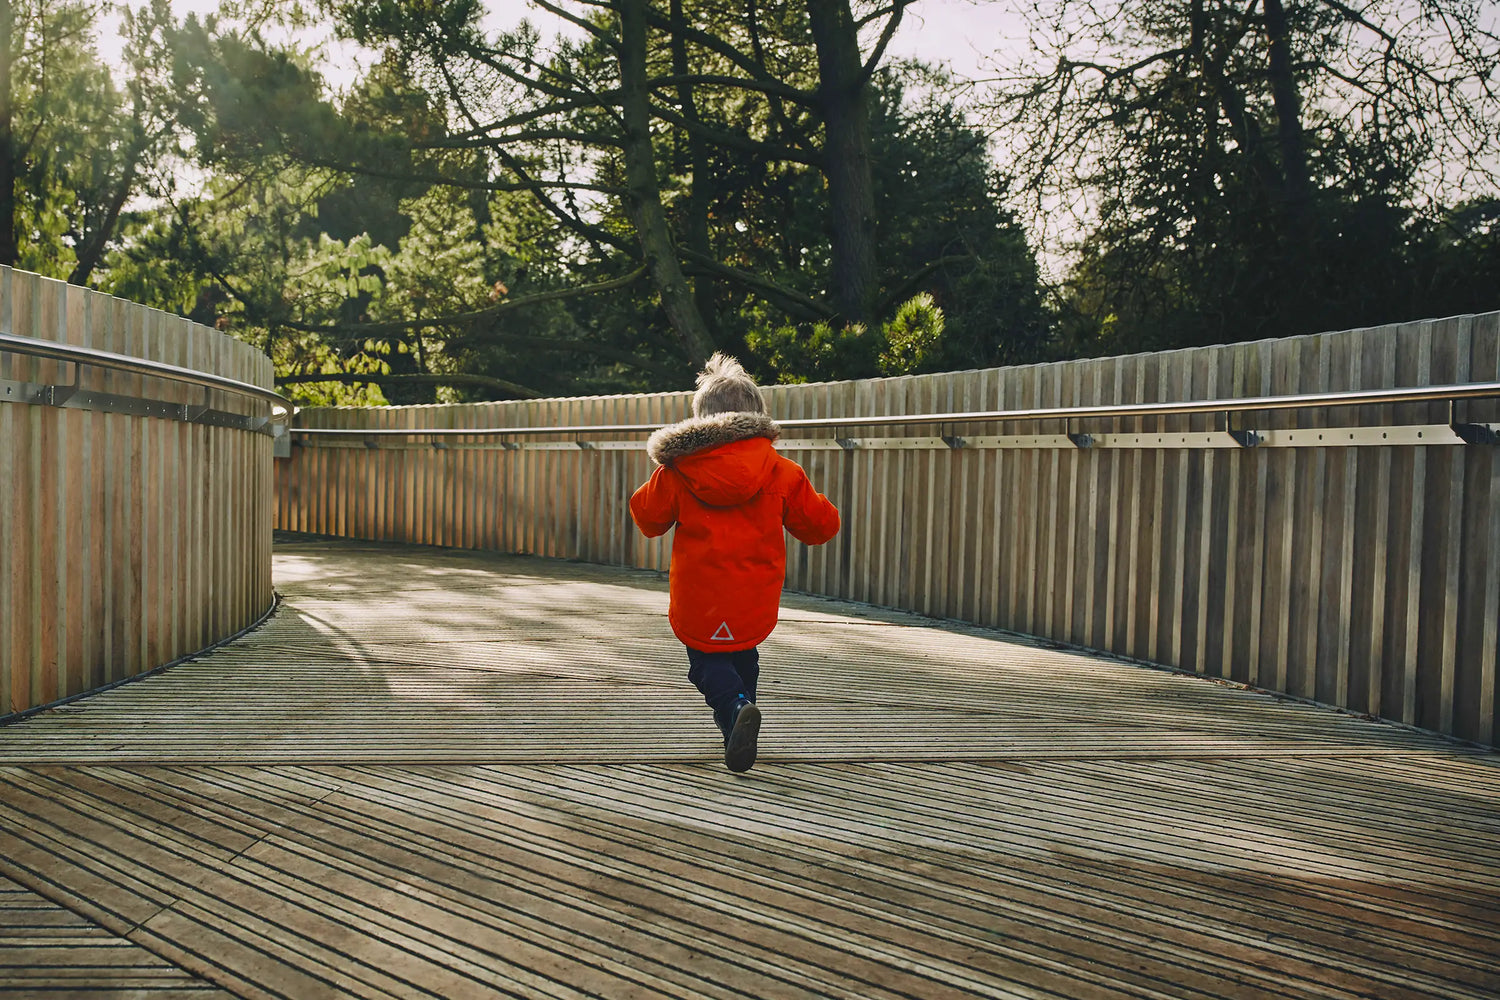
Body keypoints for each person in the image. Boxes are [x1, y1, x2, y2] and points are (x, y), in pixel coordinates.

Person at [629, 354, 841, 773]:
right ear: (758, 416)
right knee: (744, 656)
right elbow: (820, 526)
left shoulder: (678, 472)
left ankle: (736, 709)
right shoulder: (783, 472)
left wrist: (661, 476)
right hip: (753, 591)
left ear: (699, 420)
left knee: (706, 663)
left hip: (699, 594)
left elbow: (648, 519)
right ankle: (739, 723)